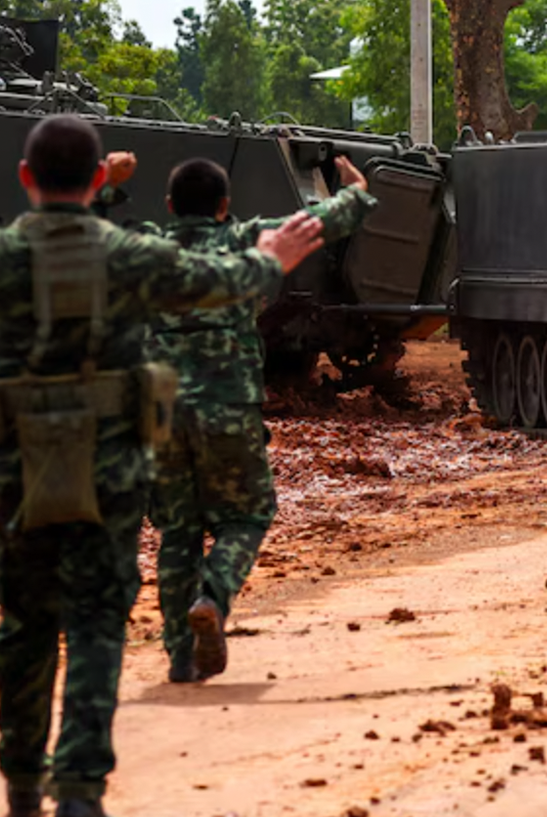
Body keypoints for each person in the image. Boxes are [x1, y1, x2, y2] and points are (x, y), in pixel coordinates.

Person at [0, 115, 326, 817]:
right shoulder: (129, 255)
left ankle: (20, 783)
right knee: (98, 622)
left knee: (25, 623)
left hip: (18, 469)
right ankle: (79, 789)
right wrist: (272, 256)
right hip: (114, 468)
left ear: (25, 179)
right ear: (100, 179)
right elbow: (217, 278)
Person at [140, 155, 378, 683]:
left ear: (170, 207)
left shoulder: (149, 250)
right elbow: (320, 224)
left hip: (160, 414)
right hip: (228, 407)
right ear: (225, 207)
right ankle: (213, 596)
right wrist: (356, 192)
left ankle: (181, 655)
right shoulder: (244, 240)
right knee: (247, 515)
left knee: (177, 532)